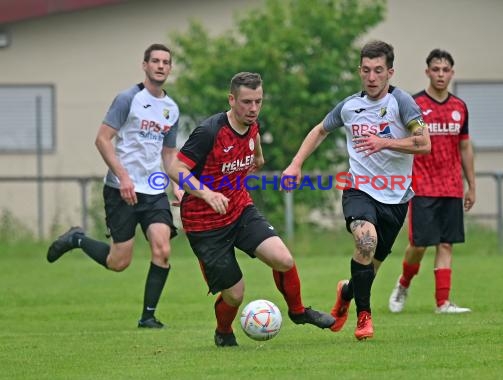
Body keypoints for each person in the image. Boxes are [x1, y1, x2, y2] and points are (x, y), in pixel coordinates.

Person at [166, 72, 335, 348]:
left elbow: (255, 154)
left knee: (283, 259)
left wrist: (256, 159)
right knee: (235, 294)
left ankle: (298, 312)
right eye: (246, 102)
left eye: (258, 101)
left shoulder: (252, 126)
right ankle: (223, 331)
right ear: (231, 100)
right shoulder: (210, 131)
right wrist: (205, 193)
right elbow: (175, 168)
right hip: (204, 224)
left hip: (240, 209)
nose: (253, 108)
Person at [281, 40, 431, 340]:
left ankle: (346, 292)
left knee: (369, 268)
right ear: (359, 71)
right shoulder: (350, 106)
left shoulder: (402, 103)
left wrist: (385, 142)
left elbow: (425, 143)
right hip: (359, 189)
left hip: (396, 196)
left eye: (378, 70)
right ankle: (365, 318)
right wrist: (295, 164)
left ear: (390, 72)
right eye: (366, 70)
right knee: (365, 241)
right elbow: (320, 130)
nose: (372, 77)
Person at [46, 43, 182, 328]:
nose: (160, 66)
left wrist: (179, 186)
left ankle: (148, 317)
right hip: (121, 189)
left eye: (165, 62)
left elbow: (169, 155)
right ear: (144, 65)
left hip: (154, 190)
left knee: (163, 249)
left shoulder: (171, 109)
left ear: (169, 68)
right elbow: (102, 139)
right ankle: (77, 239)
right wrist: (124, 177)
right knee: (119, 262)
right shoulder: (128, 99)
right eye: (155, 61)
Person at [388, 49, 475, 314]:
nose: (440, 74)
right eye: (435, 69)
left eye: (445, 70)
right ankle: (403, 284)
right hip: (422, 185)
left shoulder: (459, 107)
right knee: (419, 245)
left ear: (452, 73)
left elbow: (465, 148)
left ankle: (443, 303)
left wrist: (472, 184)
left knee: (446, 243)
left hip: (451, 186)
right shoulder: (414, 105)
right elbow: (401, 142)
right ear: (427, 72)